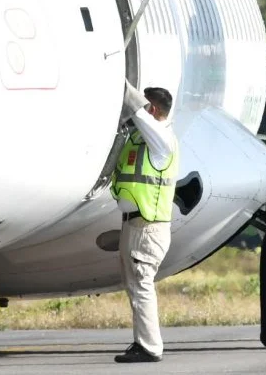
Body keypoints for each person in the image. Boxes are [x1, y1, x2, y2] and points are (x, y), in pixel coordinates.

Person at [111, 81, 179, 363]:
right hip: (133, 225)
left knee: (141, 285)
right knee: (135, 287)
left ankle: (150, 347)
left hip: (148, 228)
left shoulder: (162, 141)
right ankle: (142, 342)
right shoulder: (140, 140)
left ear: (152, 109)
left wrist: (119, 80)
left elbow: (138, 114)